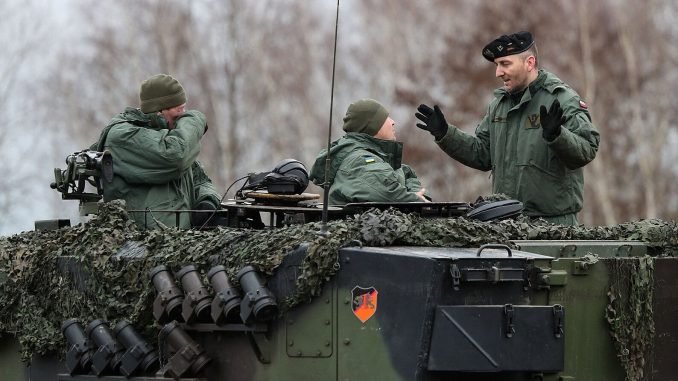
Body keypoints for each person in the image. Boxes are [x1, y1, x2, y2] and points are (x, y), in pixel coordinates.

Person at [415, 31, 599, 225]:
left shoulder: (562, 99)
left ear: (529, 63)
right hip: (506, 224)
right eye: (497, 65)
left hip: (554, 228)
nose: (498, 72)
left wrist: (558, 136)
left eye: (505, 64)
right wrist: (445, 134)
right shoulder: (499, 105)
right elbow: (483, 154)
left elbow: (587, 148)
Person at [92, 74, 222, 229]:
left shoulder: (168, 134)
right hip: (141, 244)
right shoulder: (122, 136)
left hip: (179, 243)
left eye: (184, 108)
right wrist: (196, 119)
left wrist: (206, 201)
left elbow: (200, 180)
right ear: (159, 110)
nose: (183, 114)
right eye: (178, 109)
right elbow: (175, 157)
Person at [310, 98, 428, 205]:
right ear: (372, 126)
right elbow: (388, 193)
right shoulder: (358, 160)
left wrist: (413, 195)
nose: (393, 122)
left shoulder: (373, 157)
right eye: (385, 118)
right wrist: (416, 199)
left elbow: (405, 173)